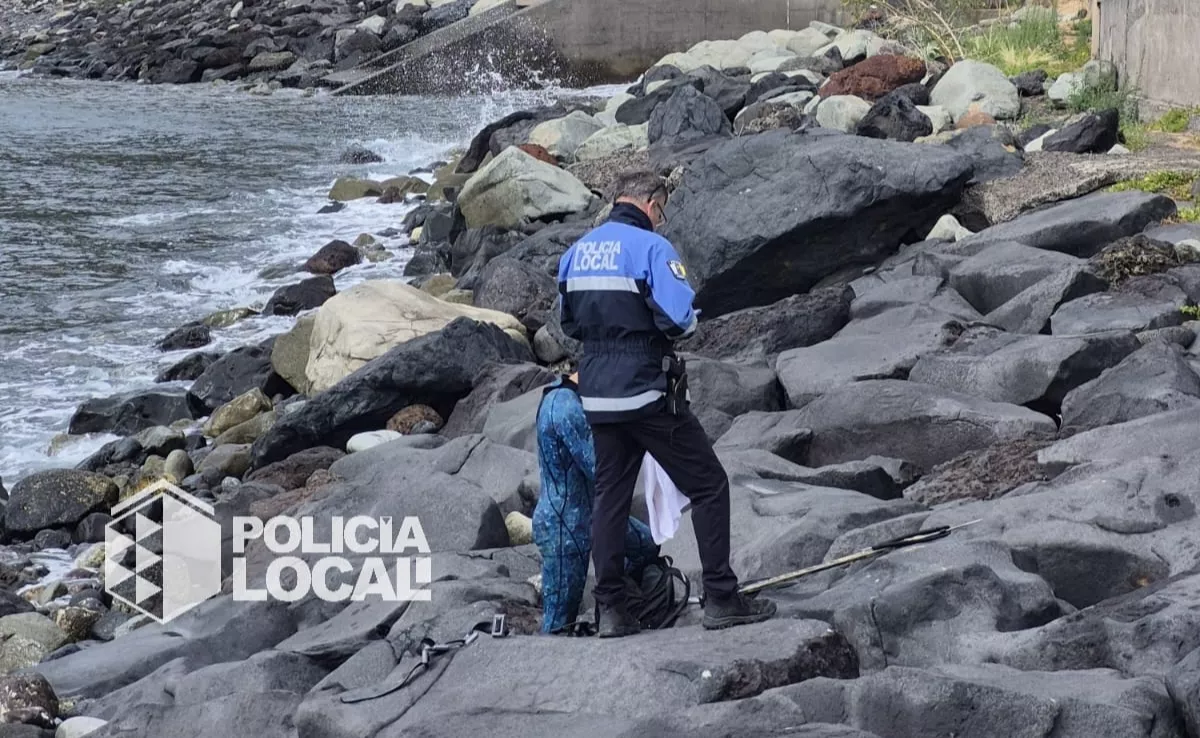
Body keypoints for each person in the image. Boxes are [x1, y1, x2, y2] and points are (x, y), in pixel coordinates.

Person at [555, 169, 777, 637]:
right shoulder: (652, 249)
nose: (662, 220)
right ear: (652, 204)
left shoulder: (577, 253)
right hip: (648, 392)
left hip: (596, 393)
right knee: (709, 483)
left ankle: (611, 610)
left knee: (609, 498)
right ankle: (720, 596)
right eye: (663, 212)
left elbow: (567, 325)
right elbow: (680, 321)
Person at [533, 370, 659, 635]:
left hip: (593, 514)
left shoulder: (572, 399)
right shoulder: (564, 406)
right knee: (559, 620)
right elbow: (596, 466)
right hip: (564, 527)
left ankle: (617, 602)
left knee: (646, 545)